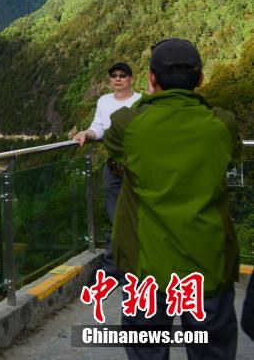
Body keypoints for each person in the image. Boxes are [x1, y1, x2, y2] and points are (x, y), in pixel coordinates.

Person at [106, 38, 241, 360]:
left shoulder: (127, 124)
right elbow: (231, 160)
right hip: (209, 261)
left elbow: (116, 147)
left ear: (151, 78)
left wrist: (150, 99)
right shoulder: (222, 124)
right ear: (201, 79)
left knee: (147, 351)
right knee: (213, 352)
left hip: (146, 266)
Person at [73, 61, 142, 276]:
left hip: (138, 168)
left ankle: (132, 268)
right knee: (115, 218)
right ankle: (113, 269)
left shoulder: (141, 101)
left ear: (131, 78)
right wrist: (86, 133)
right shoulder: (104, 101)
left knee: (137, 218)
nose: (118, 79)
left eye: (122, 75)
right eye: (114, 75)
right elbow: (98, 127)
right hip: (113, 168)